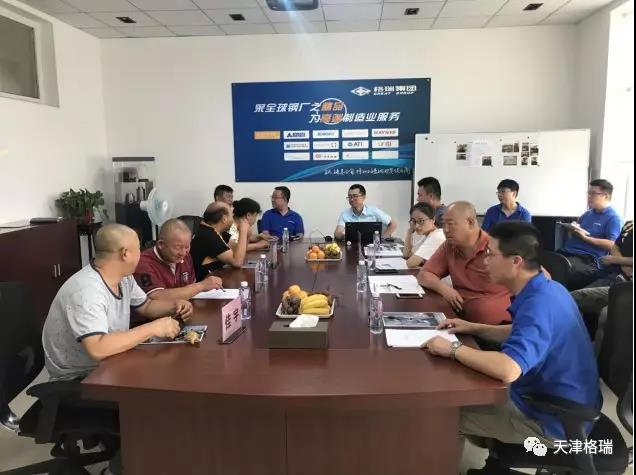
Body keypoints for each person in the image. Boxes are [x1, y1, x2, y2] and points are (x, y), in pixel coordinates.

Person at [423, 221, 600, 475]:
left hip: (551, 419)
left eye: (490, 254)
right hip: (563, 401)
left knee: (444, 415)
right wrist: (473, 328)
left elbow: (509, 369)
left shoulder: (539, 305)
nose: (484, 261)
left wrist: (453, 350)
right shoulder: (547, 288)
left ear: (516, 261)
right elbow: (521, 331)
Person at [42, 224, 193, 382]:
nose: (141, 254)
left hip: (113, 361)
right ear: (125, 253)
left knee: (170, 369)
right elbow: (97, 348)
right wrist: (153, 328)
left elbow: (146, 306)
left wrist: (175, 305)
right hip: (82, 377)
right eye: (138, 249)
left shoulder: (124, 278)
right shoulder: (87, 290)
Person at [418, 201, 511, 325]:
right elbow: (424, 274)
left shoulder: (496, 247)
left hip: (494, 329)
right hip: (459, 322)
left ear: (470, 222)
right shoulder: (450, 246)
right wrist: (445, 290)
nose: (445, 230)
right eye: (444, 224)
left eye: (451, 224)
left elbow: (531, 282)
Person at [571, 220, 633, 349]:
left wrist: (618, 260)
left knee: (605, 314)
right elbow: (615, 246)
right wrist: (623, 264)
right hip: (616, 276)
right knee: (573, 298)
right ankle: (581, 345)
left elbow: (612, 252)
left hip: (628, 287)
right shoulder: (629, 225)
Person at [134, 218, 223, 300]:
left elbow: (190, 288)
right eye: (178, 247)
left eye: (187, 247)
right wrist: (201, 286)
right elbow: (156, 296)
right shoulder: (143, 263)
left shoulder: (186, 256)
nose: (183, 253)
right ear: (161, 244)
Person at [559, 179, 623, 290]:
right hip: (568, 252)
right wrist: (572, 229)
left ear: (606, 196)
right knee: (543, 265)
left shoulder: (614, 218)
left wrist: (586, 238)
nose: (589, 197)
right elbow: (577, 232)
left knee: (558, 272)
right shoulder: (588, 213)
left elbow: (611, 244)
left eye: (593, 193)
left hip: (588, 259)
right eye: (588, 193)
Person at [191, 202, 250, 280]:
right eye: (232, 216)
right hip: (205, 282)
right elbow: (237, 262)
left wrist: (247, 235)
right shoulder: (208, 235)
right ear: (224, 219)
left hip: (217, 277)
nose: (233, 219)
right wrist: (243, 232)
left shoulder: (216, 231)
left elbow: (238, 250)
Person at [402, 202, 446, 268]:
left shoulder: (437, 236)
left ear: (433, 220)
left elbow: (410, 263)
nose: (417, 226)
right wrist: (409, 231)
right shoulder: (427, 235)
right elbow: (407, 255)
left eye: (421, 221)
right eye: (414, 221)